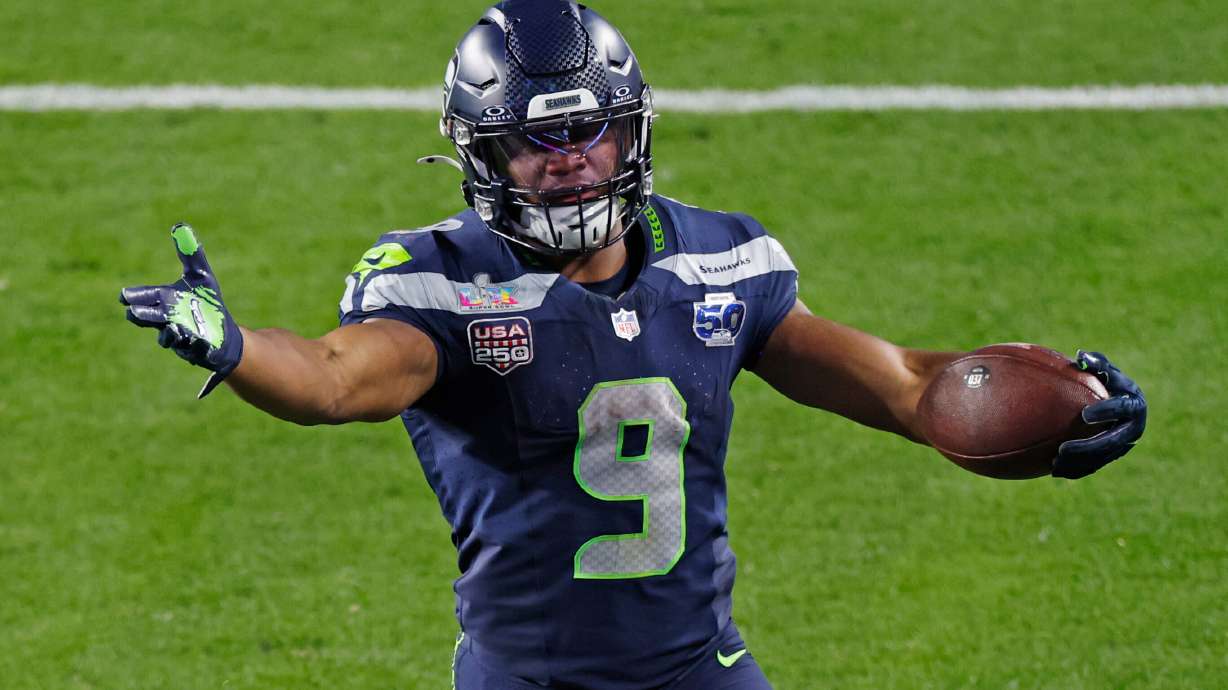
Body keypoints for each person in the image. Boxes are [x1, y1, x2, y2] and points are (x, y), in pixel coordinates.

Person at [119, 1, 1148, 687]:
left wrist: (1063, 410)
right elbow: (334, 380)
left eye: (590, 133)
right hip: (529, 679)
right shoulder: (443, 284)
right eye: (537, 141)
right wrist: (236, 346)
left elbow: (908, 387)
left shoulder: (720, 263)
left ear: (632, 132)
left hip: (700, 665)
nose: (570, 163)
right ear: (484, 154)